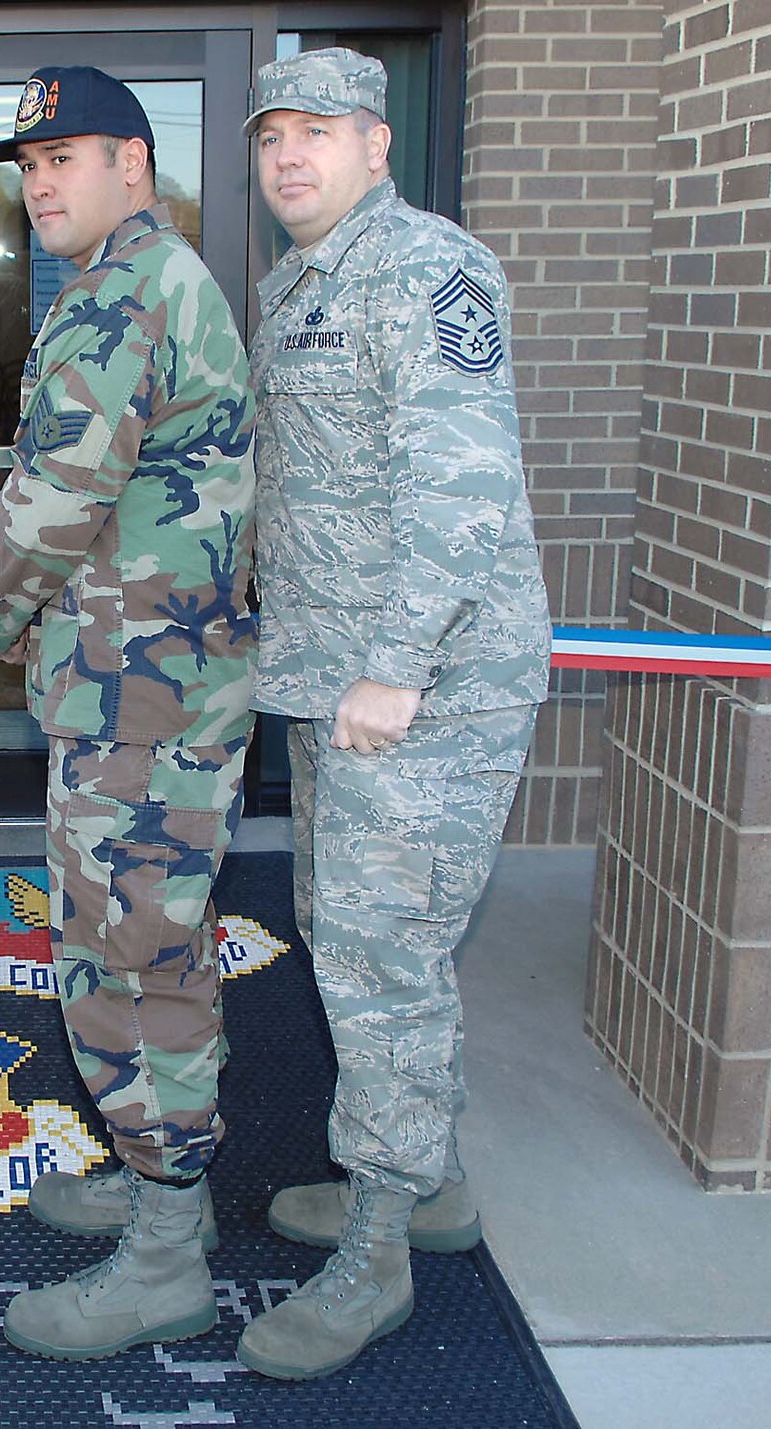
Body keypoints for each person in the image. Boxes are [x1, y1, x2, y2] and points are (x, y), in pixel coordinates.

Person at [233, 48, 551, 1381]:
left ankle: (376, 1253)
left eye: (320, 132)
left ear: (376, 145)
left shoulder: (427, 268)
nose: (291, 156)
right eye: (272, 138)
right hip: (331, 682)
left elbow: (461, 489)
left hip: (420, 693)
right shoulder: (297, 280)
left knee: (380, 962)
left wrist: (399, 667)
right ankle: (433, 1185)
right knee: (362, 936)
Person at [0, 66, 257, 1361]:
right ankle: (155, 1187)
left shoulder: (131, 288)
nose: (39, 187)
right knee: (145, 944)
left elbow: (63, 490)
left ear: (135, 162)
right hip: (147, 683)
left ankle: (164, 1255)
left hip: (145, 694)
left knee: (126, 959)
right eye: (27, 169)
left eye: (61, 159)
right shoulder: (136, 280)